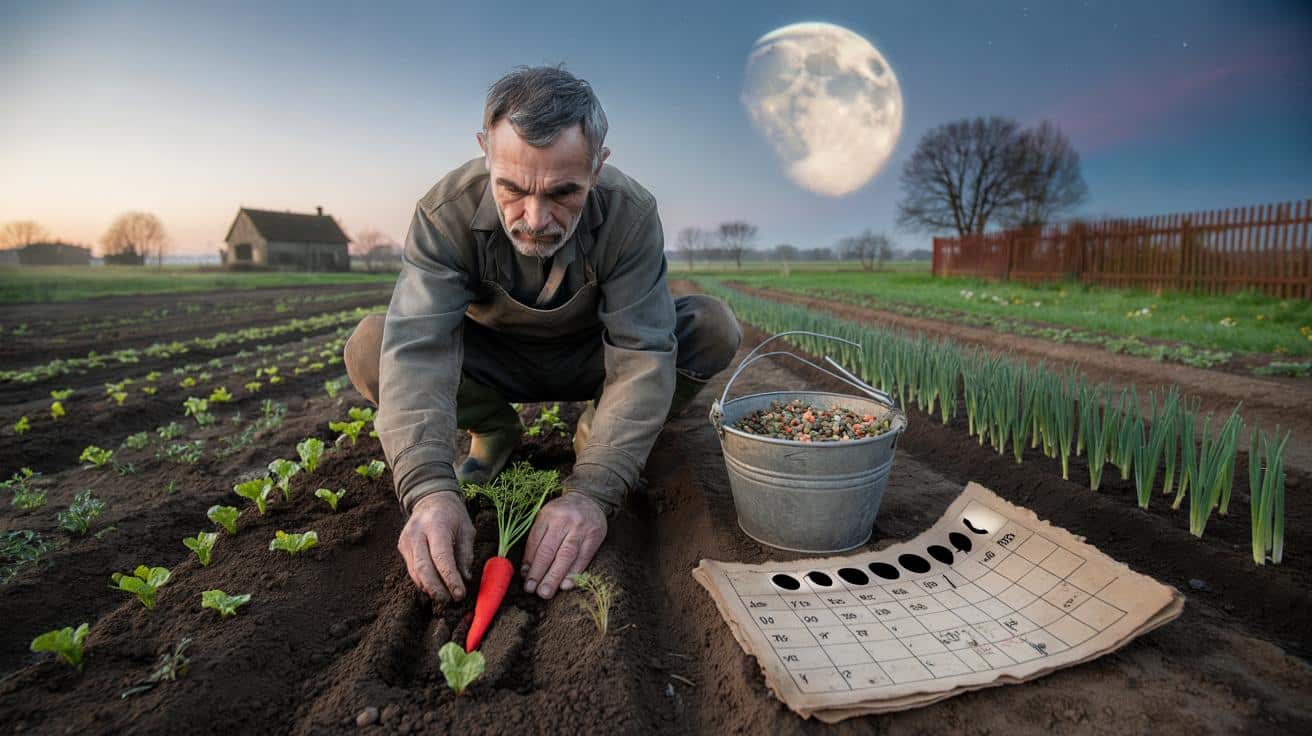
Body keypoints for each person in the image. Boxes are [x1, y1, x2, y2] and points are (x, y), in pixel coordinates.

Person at [343, 66, 741, 605]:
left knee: (711, 327)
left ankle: (598, 436)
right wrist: (430, 489)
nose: (534, 218)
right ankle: (494, 428)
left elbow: (643, 352)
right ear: (486, 152)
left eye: (562, 193)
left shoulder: (630, 213)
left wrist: (594, 491)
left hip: (590, 355)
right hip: (488, 360)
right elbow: (420, 347)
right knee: (373, 346)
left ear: (598, 167)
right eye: (511, 188)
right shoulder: (445, 213)